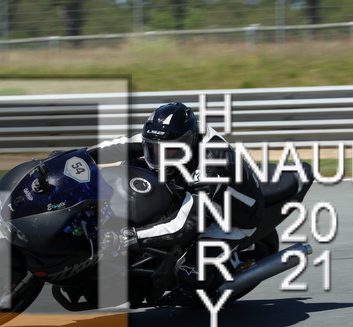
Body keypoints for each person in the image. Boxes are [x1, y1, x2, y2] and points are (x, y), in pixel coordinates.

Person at [87, 101, 264, 296]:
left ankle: (228, 271)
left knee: (189, 274)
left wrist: (130, 236)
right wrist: (75, 158)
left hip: (232, 218)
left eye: (168, 150)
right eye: (153, 149)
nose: (159, 155)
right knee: (129, 166)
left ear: (187, 143)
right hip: (192, 191)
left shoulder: (211, 165)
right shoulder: (165, 135)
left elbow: (185, 226)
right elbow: (115, 147)